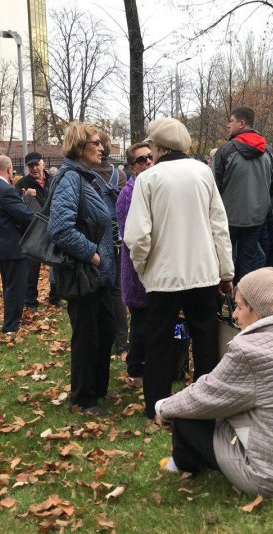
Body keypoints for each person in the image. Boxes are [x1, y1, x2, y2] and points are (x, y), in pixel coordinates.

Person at [154, 268, 273, 496]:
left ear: (258, 311)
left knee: (186, 416)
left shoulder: (250, 350)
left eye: (238, 306)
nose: (235, 315)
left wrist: (163, 409)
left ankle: (179, 465)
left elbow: (204, 396)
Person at [124, 117, 234, 419]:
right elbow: (219, 227)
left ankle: (157, 407)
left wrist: (144, 268)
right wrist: (226, 274)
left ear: (158, 148)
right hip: (203, 273)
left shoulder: (148, 179)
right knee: (205, 340)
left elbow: (137, 236)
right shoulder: (203, 173)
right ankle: (207, 405)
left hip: (163, 278)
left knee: (159, 343)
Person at [48, 123, 117, 415]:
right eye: (94, 143)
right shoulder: (70, 179)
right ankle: (83, 398)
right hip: (81, 273)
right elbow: (59, 228)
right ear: (78, 147)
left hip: (95, 276)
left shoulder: (84, 178)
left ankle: (97, 388)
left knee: (105, 329)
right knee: (87, 334)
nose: (101, 147)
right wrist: (93, 255)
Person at [211, 106, 273, 281]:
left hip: (227, 217)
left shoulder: (225, 150)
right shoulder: (269, 151)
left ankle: (224, 298)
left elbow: (213, 185)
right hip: (257, 218)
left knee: (223, 258)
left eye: (231, 121)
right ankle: (246, 298)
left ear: (242, 123)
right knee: (249, 259)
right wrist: (270, 210)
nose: (228, 125)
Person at [0, 156, 35, 333]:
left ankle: (10, 322)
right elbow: (25, 215)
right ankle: (11, 326)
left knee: (8, 286)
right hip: (13, 247)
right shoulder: (5, 189)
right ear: (9, 168)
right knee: (16, 287)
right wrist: (27, 200)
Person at [115, 142, 153, 385]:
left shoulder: (148, 187)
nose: (148, 162)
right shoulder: (129, 193)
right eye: (141, 160)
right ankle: (135, 368)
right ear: (132, 168)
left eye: (151, 157)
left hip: (150, 267)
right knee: (140, 321)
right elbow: (132, 237)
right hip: (137, 268)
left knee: (148, 320)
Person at [92, 132, 129, 355]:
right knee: (116, 291)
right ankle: (121, 340)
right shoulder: (120, 174)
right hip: (117, 238)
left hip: (94, 239)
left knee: (95, 289)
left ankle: (100, 338)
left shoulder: (85, 174)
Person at [16, 151, 62, 308]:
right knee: (32, 268)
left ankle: (55, 297)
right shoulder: (22, 184)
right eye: (31, 166)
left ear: (43, 164)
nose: (34, 168)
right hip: (35, 230)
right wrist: (27, 197)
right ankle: (31, 301)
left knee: (56, 263)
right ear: (27, 168)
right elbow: (18, 209)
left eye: (37, 164)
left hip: (54, 226)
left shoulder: (54, 180)